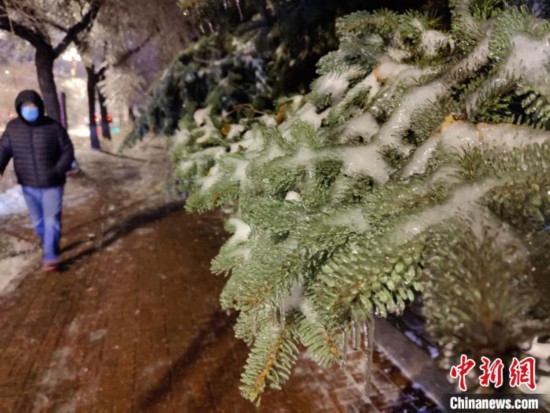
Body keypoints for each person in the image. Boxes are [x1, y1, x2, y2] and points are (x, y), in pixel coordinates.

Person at [0, 90, 75, 272]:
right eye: (26, 106)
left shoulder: (53, 127)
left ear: (40, 107)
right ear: (19, 108)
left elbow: (67, 151)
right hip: (28, 184)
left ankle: (50, 257)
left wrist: (58, 170)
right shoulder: (13, 128)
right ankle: (49, 243)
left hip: (53, 184)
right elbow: (3, 150)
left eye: (33, 106)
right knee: (38, 222)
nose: (30, 109)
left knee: (51, 220)